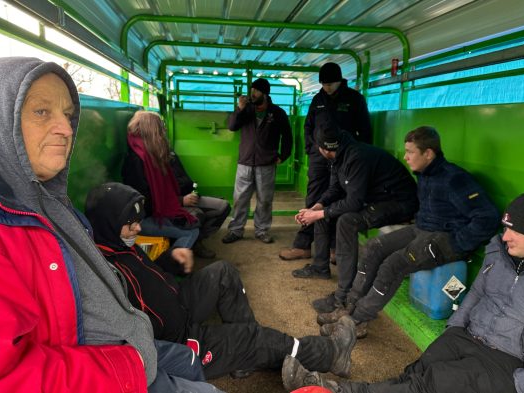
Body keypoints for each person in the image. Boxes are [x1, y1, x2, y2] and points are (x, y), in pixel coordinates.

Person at [0, 56, 220, 393]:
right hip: (112, 371)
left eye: (67, 115)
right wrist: (129, 364)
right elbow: (3, 378)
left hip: (134, 347)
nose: (66, 128)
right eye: (41, 111)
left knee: (190, 364)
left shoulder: (53, 205)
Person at [282, 192, 524, 393]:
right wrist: (455, 329)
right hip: (468, 337)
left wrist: (523, 383)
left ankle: (332, 389)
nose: (504, 236)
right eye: (505, 227)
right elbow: (478, 292)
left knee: (429, 384)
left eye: (514, 231)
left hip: (512, 362)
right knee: (417, 372)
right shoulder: (501, 250)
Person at [85, 182, 357, 380]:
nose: (138, 228)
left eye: (137, 220)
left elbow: (145, 278)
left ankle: (247, 355)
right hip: (178, 340)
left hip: (179, 303)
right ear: (108, 223)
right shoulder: (107, 272)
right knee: (251, 337)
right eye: (130, 223)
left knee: (223, 272)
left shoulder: (116, 244)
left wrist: (169, 259)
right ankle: (331, 353)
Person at [315, 126, 499, 336]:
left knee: (392, 265)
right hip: (421, 229)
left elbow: (488, 217)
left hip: (445, 239)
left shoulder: (454, 179)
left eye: (410, 152)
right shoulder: (424, 174)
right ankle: (349, 306)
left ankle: (356, 321)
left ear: (428, 153)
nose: (406, 157)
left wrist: (458, 243)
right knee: (374, 247)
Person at [291, 126, 419, 305]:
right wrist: (317, 207)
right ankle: (320, 267)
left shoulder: (356, 157)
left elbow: (354, 203)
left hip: (399, 203)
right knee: (322, 213)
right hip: (377, 200)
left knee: (347, 222)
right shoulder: (339, 153)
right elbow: (336, 188)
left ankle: (344, 295)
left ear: (323, 149)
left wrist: (319, 213)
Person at [279, 62, 371, 262]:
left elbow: (365, 131)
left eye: (330, 83)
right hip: (319, 158)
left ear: (339, 81)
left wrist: (358, 157)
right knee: (313, 198)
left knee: (339, 200)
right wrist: (311, 151)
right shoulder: (317, 99)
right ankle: (302, 245)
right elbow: (308, 127)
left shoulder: (355, 99)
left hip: (345, 159)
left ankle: (334, 248)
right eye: (323, 83)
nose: (326, 87)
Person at [122, 110, 230, 260]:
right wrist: (180, 201)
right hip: (146, 218)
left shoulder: (154, 154)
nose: (164, 133)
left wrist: (187, 196)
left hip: (172, 203)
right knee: (191, 231)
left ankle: (192, 244)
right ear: (152, 131)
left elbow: (180, 183)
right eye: (161, 129)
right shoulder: (137, 161)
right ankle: (169, 266)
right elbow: (145, 205)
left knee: (218, 208)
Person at [223, 78, 293, 244]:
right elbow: (232, 126)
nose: (252, 94)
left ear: (265, 93)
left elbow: (288, 137)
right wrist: (239, 109)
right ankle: (236, 230)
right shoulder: (246, 110)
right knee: (240, 199)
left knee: (265, 199)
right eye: (251, 90)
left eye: (256, 91)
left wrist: (283, 155)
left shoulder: (277, 113)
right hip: (245, 162)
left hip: (266, 163)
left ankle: (261, 230)